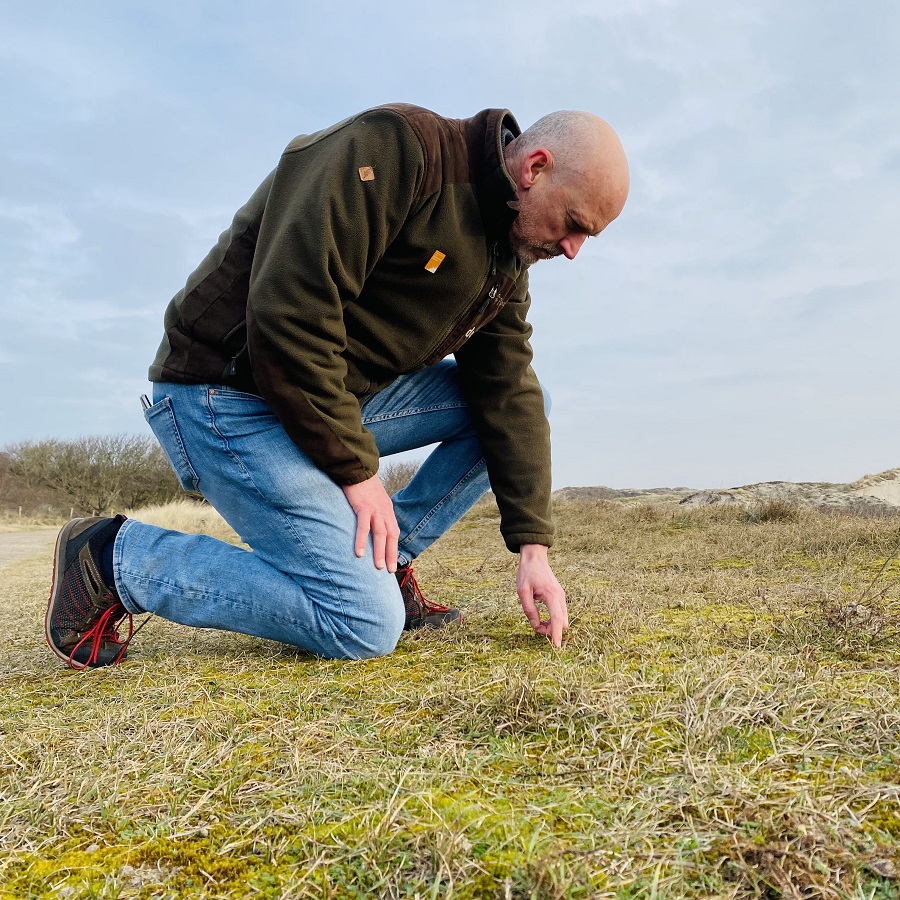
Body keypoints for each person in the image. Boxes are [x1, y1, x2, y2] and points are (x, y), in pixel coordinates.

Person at [44, 103, 629, 669]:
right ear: (534, 168)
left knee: (525, 407)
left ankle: (386, 559)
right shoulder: (395, 151)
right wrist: (357, 472)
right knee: (365, 623)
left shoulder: (506, 253)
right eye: (576, 224)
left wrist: (533, 548)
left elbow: (507, 389)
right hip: (224, 396)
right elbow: (287, 316)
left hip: (326, 399)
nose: (574, 249)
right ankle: (115, 559)